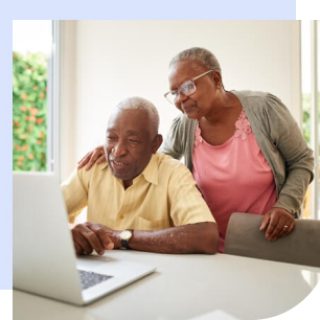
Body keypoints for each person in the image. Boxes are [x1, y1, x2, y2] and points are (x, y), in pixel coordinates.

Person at [78, 48, 314, 252]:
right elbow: (156, 160)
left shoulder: (264, 110)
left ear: (216, 79)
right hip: (205, 245)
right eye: (174, 92)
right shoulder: (185, 125)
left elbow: (302, 160)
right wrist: (116, 147)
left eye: (188, 87)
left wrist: (285, 206)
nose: (181, 98)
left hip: (265, 238)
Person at [63, 96, 218, 256]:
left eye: (132, 140)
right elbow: (43, 215)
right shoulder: (92, 167)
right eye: (111, 138)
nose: (118, 151)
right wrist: (71, 233)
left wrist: (121, 237)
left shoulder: (173, 174)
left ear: (155, 144)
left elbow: (206, 236)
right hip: (99, 272)